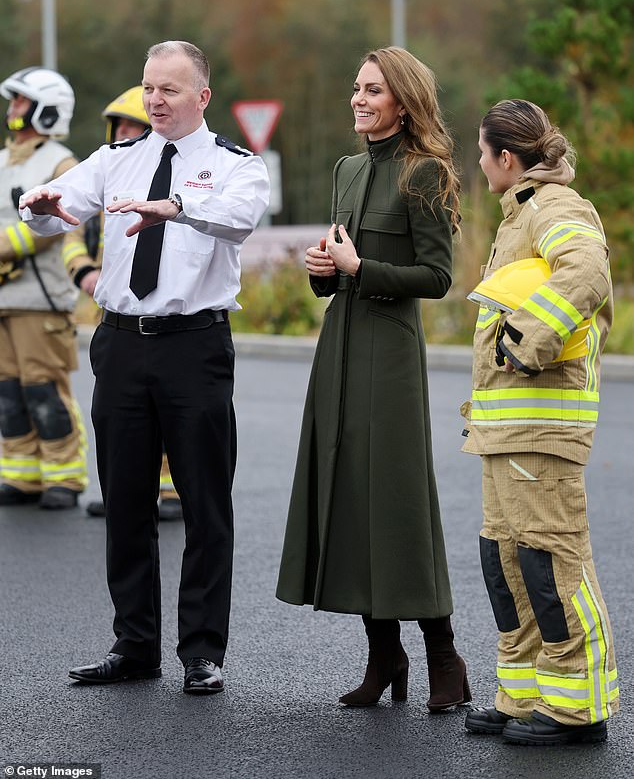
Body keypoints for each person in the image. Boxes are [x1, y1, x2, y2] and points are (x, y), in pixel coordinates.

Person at [20, 41, 270, 693]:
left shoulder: (233, 164)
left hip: (194, 347)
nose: (155, 100)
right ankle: (134, 647)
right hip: (123, 346)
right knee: (125, 501)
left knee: (204, 505)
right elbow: (53, 210)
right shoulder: (116, 159)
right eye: (149, 87)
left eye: (170, 89)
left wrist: (178, 208)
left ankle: (201, 653)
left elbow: (241, 219)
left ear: (202, 97)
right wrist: (41, 208)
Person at [276, 47, 470, 711]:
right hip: (340, 347)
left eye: (372, 91)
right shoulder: (348, 169)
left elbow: (438, 278)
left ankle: (445, 657)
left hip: (390, 356)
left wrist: (361, 271)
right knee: (350, 496)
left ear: (404, 102)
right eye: (355, 89)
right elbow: (338, 268)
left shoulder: (426, 174)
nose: (358, 100)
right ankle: (384, 655)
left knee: (397, 501)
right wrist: (323, 271)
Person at [462, 99, 619, 744]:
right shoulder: (521, 213)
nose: (478, 163)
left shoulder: (556, 208)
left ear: (507, 158)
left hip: (542, 429)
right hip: (507, 432)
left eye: (482, 152)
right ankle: (524, 695)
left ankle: (579, 710)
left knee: (553, 564)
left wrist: (526, 340)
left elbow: (588, 273)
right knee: (509, 565)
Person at [63, 85, 183, 521]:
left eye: (136, 126)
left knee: (168, 411)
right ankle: (129, 494)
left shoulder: (176, 177)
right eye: (122, 127)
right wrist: (85, 274)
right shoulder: (104, 177)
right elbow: (73, 237)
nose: (127, 134)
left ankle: (173, 492)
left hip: (164, 315)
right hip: (113, 310)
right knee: (121, 416)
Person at [0, 66, 88, 510]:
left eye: (20, 101)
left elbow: (49, 224)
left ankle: (64, 475)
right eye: (12, 101)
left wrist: (2, 245)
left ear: (46, 111)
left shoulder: (60, 162)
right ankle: (21, 473)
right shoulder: (3, 159)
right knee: (8, 392)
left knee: (44, 388)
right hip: (4, 301)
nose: (12, 110)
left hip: (41, 300)